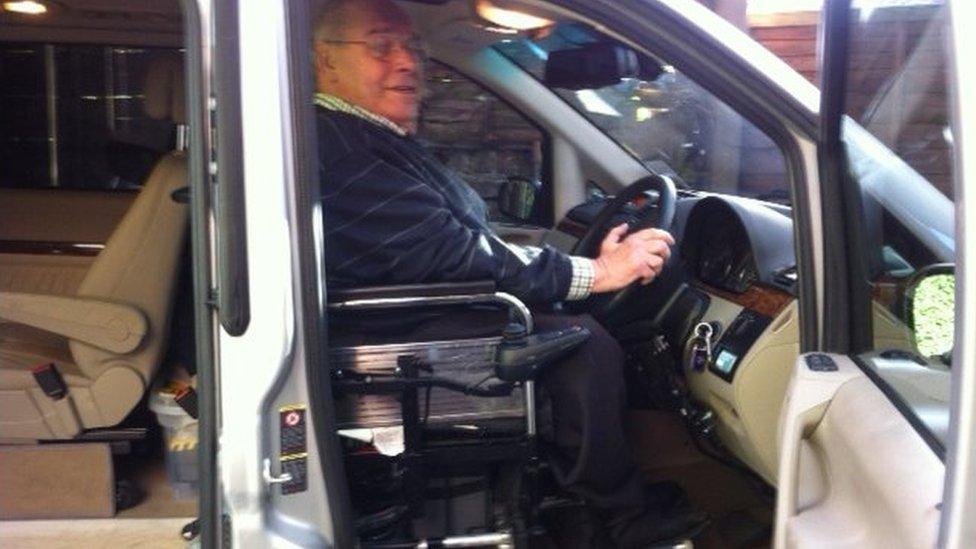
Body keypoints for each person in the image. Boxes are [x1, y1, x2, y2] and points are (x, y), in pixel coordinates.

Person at [312, 0, 707, 546]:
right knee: (584, 344)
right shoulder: (338, 144)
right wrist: (594, 273)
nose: (406, 61)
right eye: (381, 45)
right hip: (384, 334)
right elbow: (447, 253)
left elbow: (443, 244)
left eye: (413, 47)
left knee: (568, 327)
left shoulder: (361, 136)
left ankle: (592, 502)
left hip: (404, 313)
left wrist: (579, 268)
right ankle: (619, 522)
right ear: (324, 62)